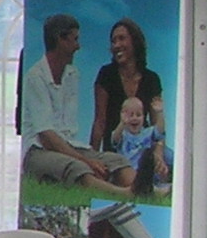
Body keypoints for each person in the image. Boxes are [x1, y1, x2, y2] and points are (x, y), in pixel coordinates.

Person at [23, 11, 122, 186]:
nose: (78, 46)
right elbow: (46, 137)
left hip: (69, 146)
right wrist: (86, 161)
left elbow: (67, 132)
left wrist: (88, 156)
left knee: (115, 161)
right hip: (39, 150)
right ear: (61, 40)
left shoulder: (72, 74)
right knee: (76, 167)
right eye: (74, 39)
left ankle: (144, 190)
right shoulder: (35, 77)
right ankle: (125, 194)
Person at [89, 16, 166, 154]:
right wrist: (92, 158)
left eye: (121, 38)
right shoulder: (106, 74)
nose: (116, 45)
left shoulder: (151, 79)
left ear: (135, 42)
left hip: (144, 147)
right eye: (113, 41)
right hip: (116, 149)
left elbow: (157, 125)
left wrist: (159, 154)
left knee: (168, 160)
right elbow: (100, 121)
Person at [109, 93, 169, 191]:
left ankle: (156, 187)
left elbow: (160, 132)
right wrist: (122, 123)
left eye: (138, 114)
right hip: (128, 173)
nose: (134, 118)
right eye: (130, 115)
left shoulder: (148, 132)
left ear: (143, 116)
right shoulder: (122, 134)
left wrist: (160, 113)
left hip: (146, 173)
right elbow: (114, 140)